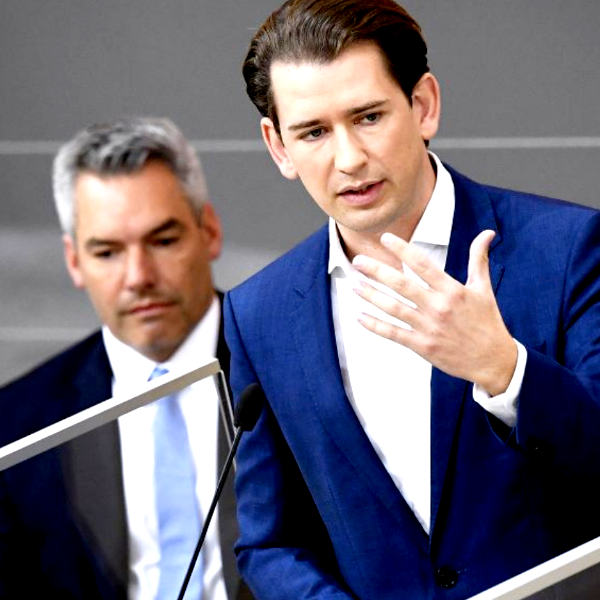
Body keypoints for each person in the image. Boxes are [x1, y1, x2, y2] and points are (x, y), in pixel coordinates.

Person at [223, 1, 600, 598]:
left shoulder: (570, 248)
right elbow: (271, 543)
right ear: (279, 147)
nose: (349, 159)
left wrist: (505, 370)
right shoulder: (257, 314)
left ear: (423, 105)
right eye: (313, 132)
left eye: (368, 117)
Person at [0, 117, 252, 600]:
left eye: (163, 241)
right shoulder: (18, 426)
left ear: (209, 231)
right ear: (74, 261)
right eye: (107, 252)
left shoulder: (297, 374)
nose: (139, 276)